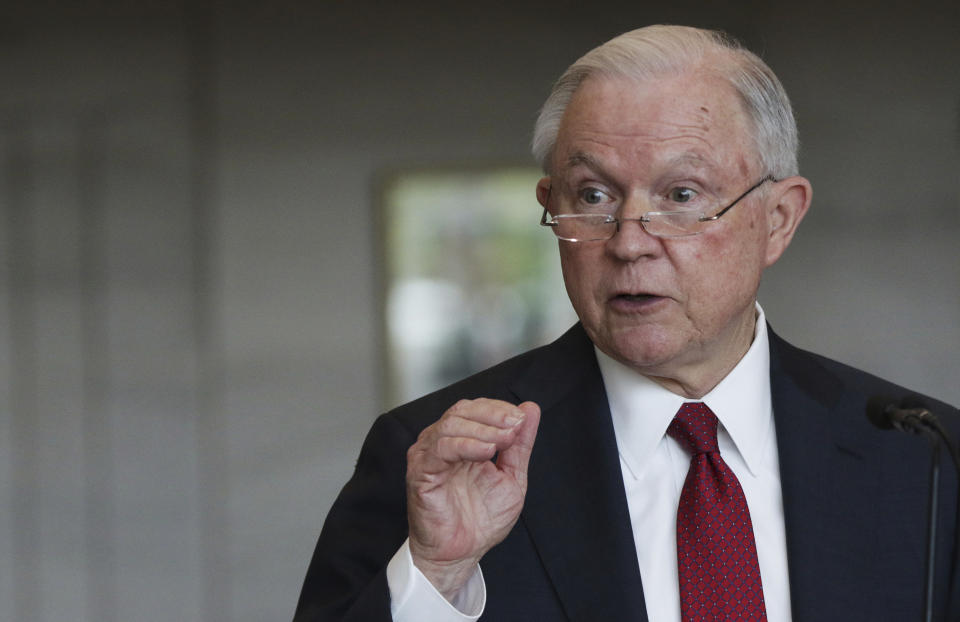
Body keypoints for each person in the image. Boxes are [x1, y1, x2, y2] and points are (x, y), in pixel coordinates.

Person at [294, 25, 960, 621]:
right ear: (550, 206)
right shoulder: (436, 459)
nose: (630, 241)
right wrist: (437, 578)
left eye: (681, 195)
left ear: (778, 220)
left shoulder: (924, 456)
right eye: (592, 196)